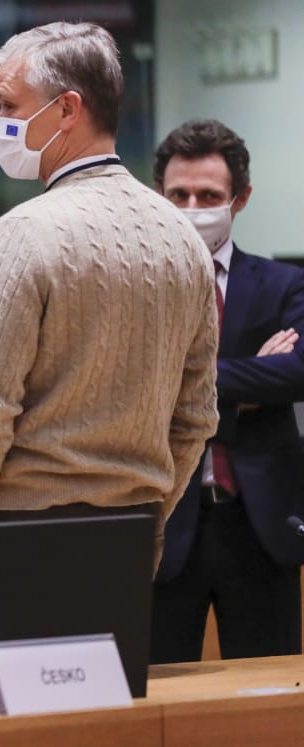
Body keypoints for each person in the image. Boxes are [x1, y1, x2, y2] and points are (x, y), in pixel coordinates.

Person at [0, 22, 219, 675]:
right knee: (95, 724)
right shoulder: (183, 240)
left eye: (9, 106)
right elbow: (198, 417)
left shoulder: (25, 232)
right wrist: (144, 511)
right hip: (128, 538)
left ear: (67, 110)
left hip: (17, 535)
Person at [150, 119, 304, 663]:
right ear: (157, 196)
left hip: (259, 528)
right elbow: (132, 387)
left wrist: (181, 389)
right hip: (163, 525)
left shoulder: (284, 284)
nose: (193, 205)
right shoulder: (133, 289)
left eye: (210, 195)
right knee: (156, 704)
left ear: (240, 199)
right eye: (179, 194)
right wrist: (248, 382)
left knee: (269, 702)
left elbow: (296, 374)